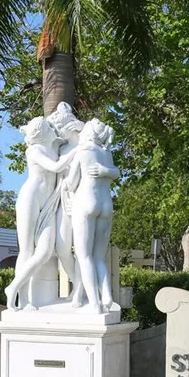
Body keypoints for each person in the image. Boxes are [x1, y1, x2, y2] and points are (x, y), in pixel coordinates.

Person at [6, 117, 76, 311]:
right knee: (27, 250)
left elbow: (69, 136)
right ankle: (22, 298)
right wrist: (80, 151)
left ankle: (12, 287)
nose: (52, 128)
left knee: (44, 251)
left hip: (48, 205)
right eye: (48, 127)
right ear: (42, 133)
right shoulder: (34, 150)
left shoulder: (54, 146)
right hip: (30, 199)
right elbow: (56, 167)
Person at [67, 119, 120, 314]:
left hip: (86, 200)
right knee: (99, 256)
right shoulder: (106, 152)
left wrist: (65, 184)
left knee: (84, 256)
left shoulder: (83, 151)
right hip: (106, 204)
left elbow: (72, 182)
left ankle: (95, 304)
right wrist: (105, 171)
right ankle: (106, 294)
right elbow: (116, 172)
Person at [45, 102, 85, 306]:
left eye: (57, 127)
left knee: (82, 249)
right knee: (62, 247)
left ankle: (80, 291)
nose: (56, 132)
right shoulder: (62, 148)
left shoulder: (86, 143)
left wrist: (82, 128)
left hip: (81, 200)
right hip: (63, 197)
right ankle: (79, 284)